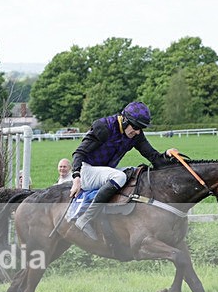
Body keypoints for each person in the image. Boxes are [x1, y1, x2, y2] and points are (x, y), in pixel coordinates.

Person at [69, 101, 178, 240]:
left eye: (141, 128)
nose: (138, 132)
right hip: (87, 171)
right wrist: (76, 177)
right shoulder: (104, 126)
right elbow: (79, 153)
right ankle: (86, 218)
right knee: (120, 177)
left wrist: (168, 156)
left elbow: (153, 157)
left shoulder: (136, 135)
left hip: (105, 172)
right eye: (136, 127)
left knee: (137, 172)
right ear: (125, 120)